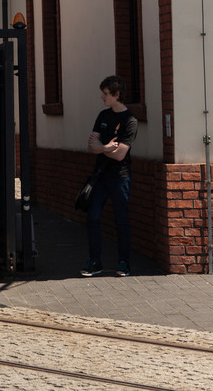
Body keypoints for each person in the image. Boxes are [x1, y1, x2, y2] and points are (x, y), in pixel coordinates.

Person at [81, 75, 139, 278]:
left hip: (120, 178)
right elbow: (91, 146)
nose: (102, 97)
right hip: (100, 176)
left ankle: (124, 263)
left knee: (121, 220)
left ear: (116, 95)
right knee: (93, 217)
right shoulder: (103, 116)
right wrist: (106, 147)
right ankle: (95, 261)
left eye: (105, 94)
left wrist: (100, 148)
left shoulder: (130, 121)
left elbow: (121, 154)